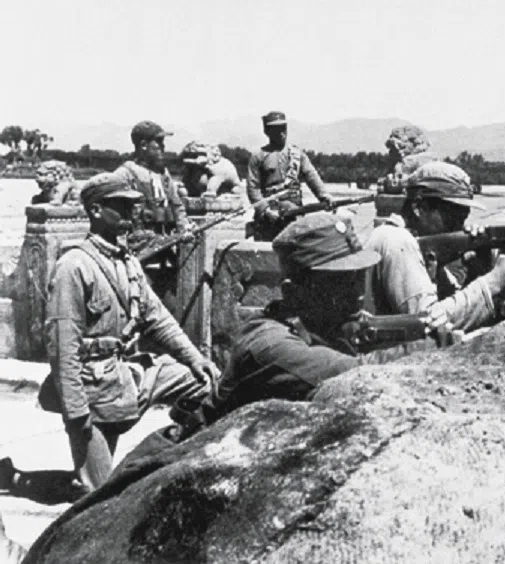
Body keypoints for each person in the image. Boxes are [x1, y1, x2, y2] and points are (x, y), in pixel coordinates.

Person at [26, 172, 219, 494]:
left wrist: (196, 359)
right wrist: (75, 411)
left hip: (128, 374)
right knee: (98, 495)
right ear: (96, 210)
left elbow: (157, 318)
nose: (131, 213)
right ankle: (22, 478)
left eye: (132, 205)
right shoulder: (74, 266)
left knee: (205, 382)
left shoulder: (126, 260)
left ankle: (172, 464)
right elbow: (62, 346)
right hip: (94, 388)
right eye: (121, 206)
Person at [171, 214, 433, 432]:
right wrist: (437, 344)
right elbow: (358, 374)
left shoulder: (319, 322)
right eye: (339, 282)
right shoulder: (269, 346)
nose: (358, 292)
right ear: (294, 291)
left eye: (358, 277)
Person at [365, 162, 505, 332]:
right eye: (453, 218)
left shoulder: (414, 244)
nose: (459, 228)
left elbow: (447, 303)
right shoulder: (396, 240)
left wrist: (479, 269)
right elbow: (428, 322)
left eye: (463, 218)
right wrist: (494, 281)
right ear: (419, 207)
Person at [246, 111, 333, 241]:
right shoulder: (258, 157)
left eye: (283, 128)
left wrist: (325, 196)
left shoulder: (297, 154)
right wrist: (265, 210)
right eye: (276, 129)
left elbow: (311, 176)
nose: (282, 132)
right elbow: (253, 188)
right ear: (267, 131)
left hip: (294, 211)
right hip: (270, 213)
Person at [114, 120, 193, 253]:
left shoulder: (163, 174)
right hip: (138, 249)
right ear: (143, 145)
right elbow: (114, 217)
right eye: (159, 142)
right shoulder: (125, 174)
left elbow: (177, 206)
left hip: (167, 246)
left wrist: (184, 228)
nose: (163, 147)